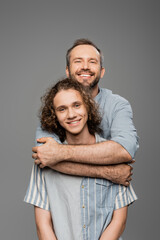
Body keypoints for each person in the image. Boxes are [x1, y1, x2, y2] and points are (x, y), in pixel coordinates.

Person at [24, 78, 137, 240]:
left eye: (76, 105)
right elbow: (43, 225)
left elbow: (119, 221)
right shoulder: (45, 158)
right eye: (62, 109)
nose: (71, 114)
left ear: (88, 107)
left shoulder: (113, 156)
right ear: (54, 116)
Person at [32, 39, 139, 186]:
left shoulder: (117, 105)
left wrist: (61, 153)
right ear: (67, 71)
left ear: (102, 72)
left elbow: (125, 149)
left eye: (92, 62)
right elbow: (46, 157)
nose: (85, 67)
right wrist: (108, 173)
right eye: (78, 61)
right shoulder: (54, 105)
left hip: (106, 197)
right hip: (64, 193)